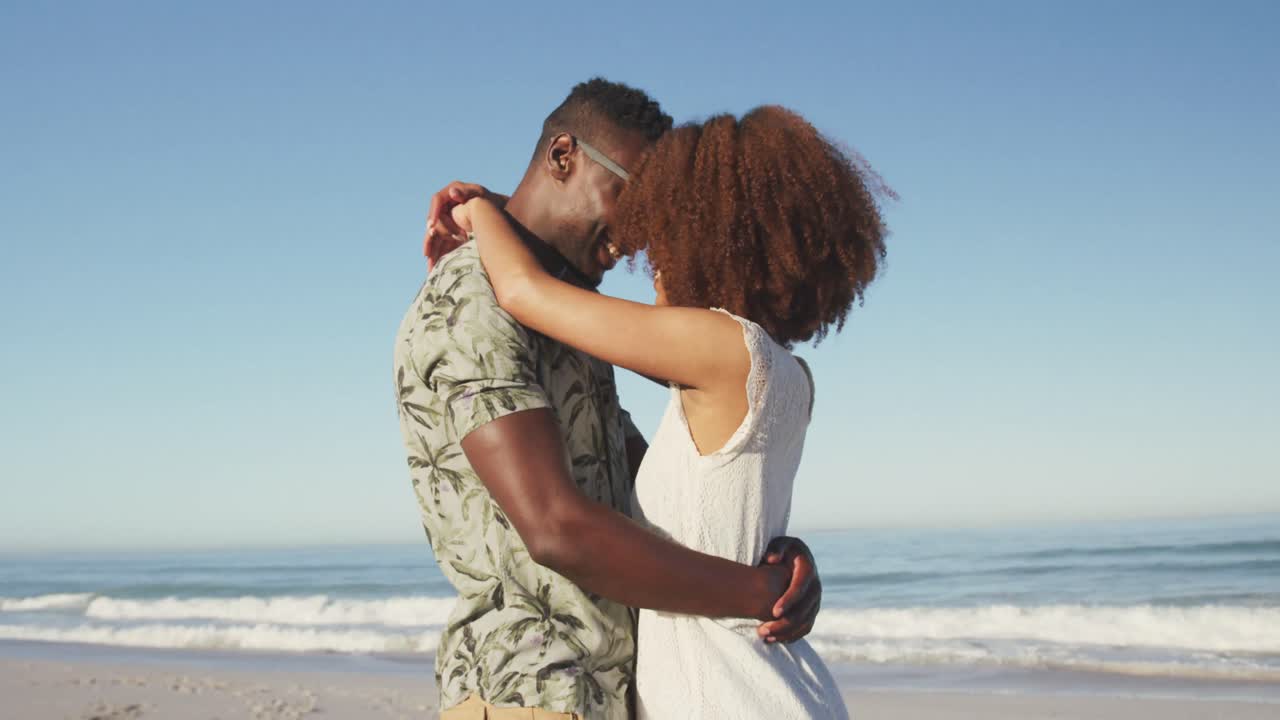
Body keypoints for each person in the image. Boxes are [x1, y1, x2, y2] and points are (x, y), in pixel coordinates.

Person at [394, 79, 824, 720]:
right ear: (563, 156)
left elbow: (654, 493)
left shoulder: (565, 312)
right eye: (634, 196)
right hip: (531, 693)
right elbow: (554, 527)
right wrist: (759, 589)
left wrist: (768, 555)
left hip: (609, 696)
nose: (641, 231)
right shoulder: (474, 300)